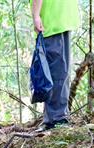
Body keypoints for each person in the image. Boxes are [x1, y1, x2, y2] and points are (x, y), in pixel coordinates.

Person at [31, 0, 78, 130]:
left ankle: (57, 119)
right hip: (61, 18)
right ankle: (54, 117)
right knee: (58, 70)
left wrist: (35, 15)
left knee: (55, 71)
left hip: (53, 20)